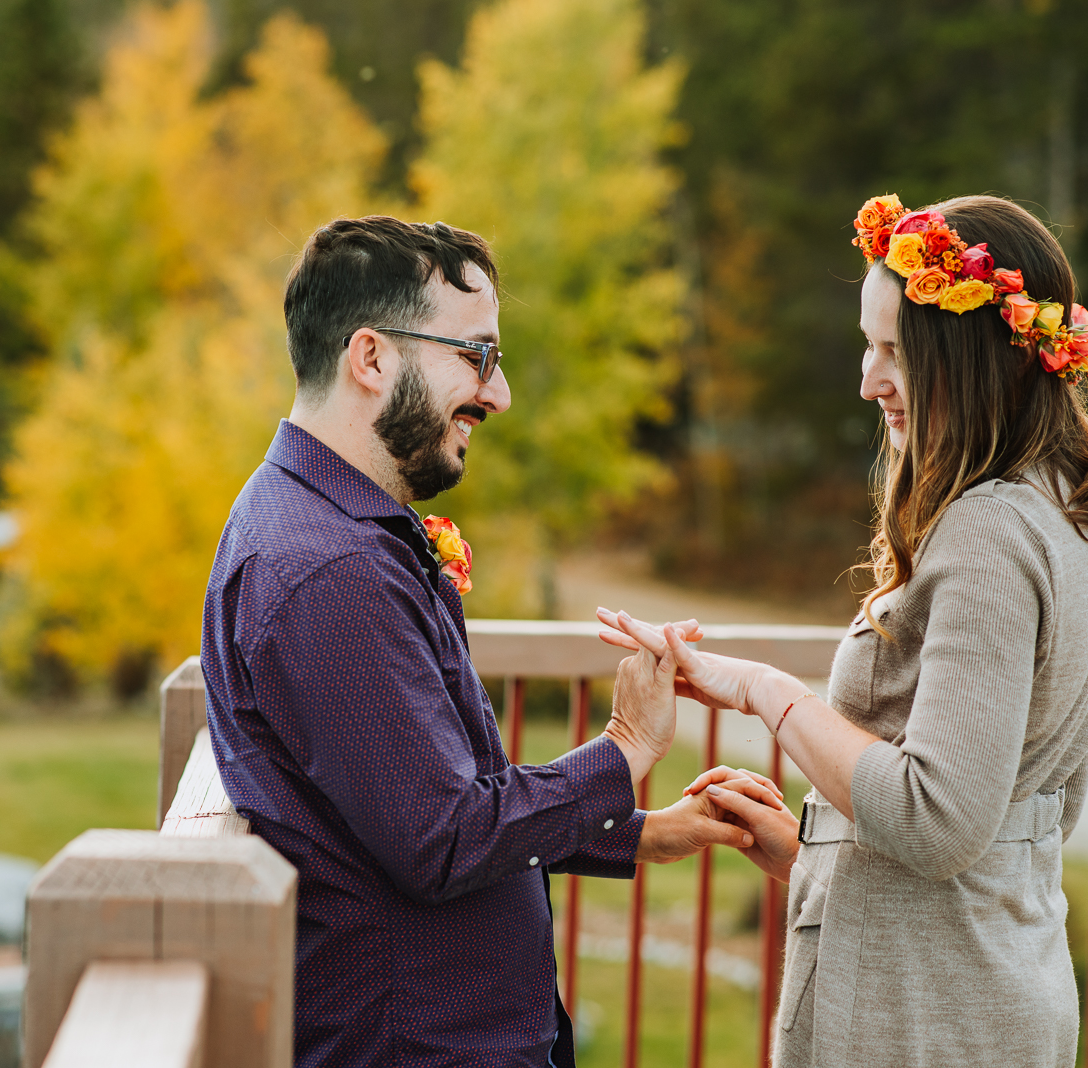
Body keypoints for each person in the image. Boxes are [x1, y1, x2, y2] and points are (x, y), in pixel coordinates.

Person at [198, 215, 753, 1068]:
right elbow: (444, 836)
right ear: (372, 358)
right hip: (417, 1043)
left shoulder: (326, 528)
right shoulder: (329, 568)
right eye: (476, 356)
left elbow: (400, 803)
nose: (497, 395)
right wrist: (627, 746)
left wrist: (636, 832)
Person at [598, 194, 1088, 1067]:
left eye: (893, 350)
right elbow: (1028, 808)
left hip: (921, 1018)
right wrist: (817, 854)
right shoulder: (1076, 513)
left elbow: (938, 821)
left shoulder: (991, 530)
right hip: (994, 989)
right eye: (867, 343)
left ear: (966, 356)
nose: (867, 378)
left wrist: (766, 693)